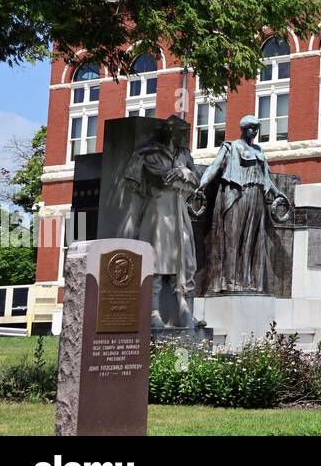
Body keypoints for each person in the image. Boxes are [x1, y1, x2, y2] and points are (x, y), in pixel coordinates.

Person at [120, 115, 200, 328]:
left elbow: (196, 180)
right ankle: (153, 312)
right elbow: (160, 178)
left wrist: (183, 172)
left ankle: (184, 309)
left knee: (184, 260)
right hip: (159, 210)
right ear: (171, 132)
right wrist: (182, 177)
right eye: (181, 132)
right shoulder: (151, 153)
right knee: (156, 260)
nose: (184, 136)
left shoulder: (184, 155)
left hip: (179, 210)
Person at [197, 115, 289, 294]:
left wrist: (277, 193)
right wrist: (202, 185)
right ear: (243, 128)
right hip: (238, 194)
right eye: (252, 127)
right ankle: (230, 281)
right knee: (233, 239)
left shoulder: (258, 149)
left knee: (251, 241)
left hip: (257, 197)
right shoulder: (231, 146)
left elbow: (266, 178)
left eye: (257, 128)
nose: (255, 131)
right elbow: (214, 166)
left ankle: (247, 281)